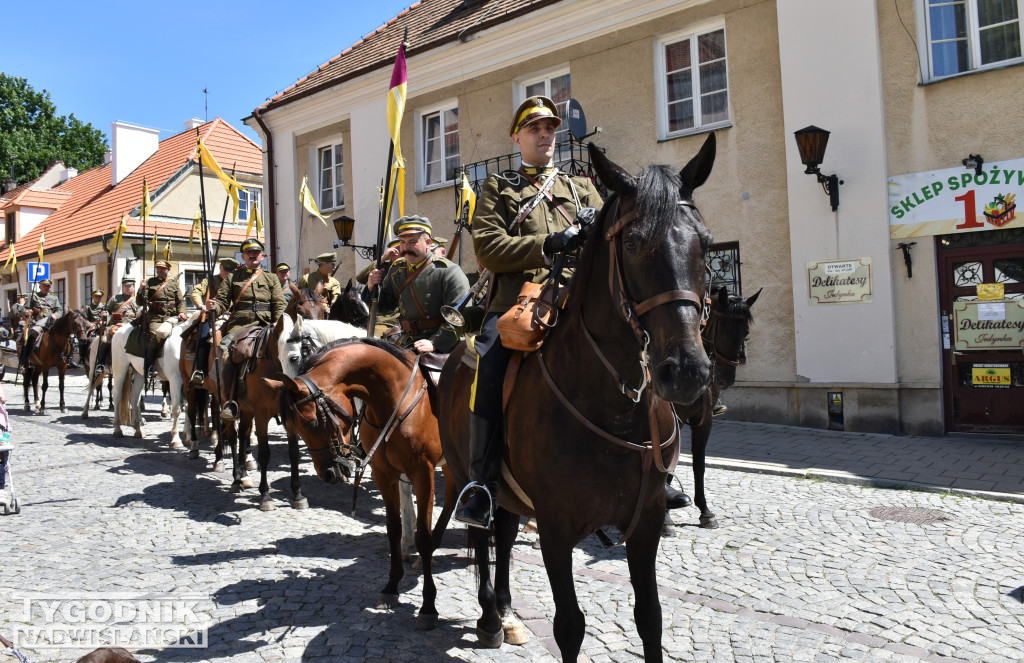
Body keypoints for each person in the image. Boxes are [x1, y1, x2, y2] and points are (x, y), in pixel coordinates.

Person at [453, 95, 604, 529]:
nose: (545, 134)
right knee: (489, 367)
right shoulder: (500, 188)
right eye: (535, 128)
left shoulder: (582, 188)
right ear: (517, 137)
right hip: (520, 304)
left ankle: (654, 467)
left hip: (579, 300)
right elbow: (490, 249)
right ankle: (481, 484)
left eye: (551, 127)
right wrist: (548, 244)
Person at [368, 215, 470, 354]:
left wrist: (435, 342)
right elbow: (385, 307)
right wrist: (372, 287)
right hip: (407, 340)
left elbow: (460, 316)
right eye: (402, 242)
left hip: (444, 344)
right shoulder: (397, 270)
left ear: (428, 242)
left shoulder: (448, 271)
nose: (406, 247)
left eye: (412, 242)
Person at [214, 238, 285, 421]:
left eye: (256, 252)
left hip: (266, 325)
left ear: (262, 256)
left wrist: (280, 327)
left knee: (289, 352)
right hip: (240, 325)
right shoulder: (232, 278)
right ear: (243, 256)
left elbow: (278, 304)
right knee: (227, 354)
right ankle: (231, 402)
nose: (253, 255)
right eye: (248, 252)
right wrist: (214, 307)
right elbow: (222, 301)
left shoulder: (271, 278)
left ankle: (289, 397)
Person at [187, 257, 238, 385]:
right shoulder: (209, 281)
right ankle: (201, 371)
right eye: (225, 269)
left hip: (232, 316)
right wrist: (201, 305)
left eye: (230, 270)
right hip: (212, 316)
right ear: (220, 268)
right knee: (203, 338)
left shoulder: (236, 282)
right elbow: (195, 293)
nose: (227, 273)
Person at [136, 260, 188, 370]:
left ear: (168, 270)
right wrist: (141, 289)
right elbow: (141, 302)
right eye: (158, 268)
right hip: (156, 317)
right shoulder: (150, 282)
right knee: (154, 336)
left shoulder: (173, 284)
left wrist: (182, 312)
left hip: (172, 316)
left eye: (163, 268)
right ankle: (150, 365)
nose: (160, 270)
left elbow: (180, 301)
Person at [24, 279, 77, 368]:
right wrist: (28, 311)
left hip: (52, 321)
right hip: (38, 321)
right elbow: (25, 309)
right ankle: (25, 359)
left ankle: (69, 359)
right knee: (31, 334)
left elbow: (59, 310)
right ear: (40, 286)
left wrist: (55, 315)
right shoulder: (33, 296)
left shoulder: (54, 297)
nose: (46, 287)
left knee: (70, 337)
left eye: (48, 286)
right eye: (44, 285)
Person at [357, 239, 402, 337]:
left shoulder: (411, 268)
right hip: (386, 320)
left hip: (408, 319)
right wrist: (383, 257)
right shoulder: (383, 268)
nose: (401, 252)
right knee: (376, 343)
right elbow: (360, 277)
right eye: (397, 249)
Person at [96, 278, 139, 375]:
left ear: (133, 287)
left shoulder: (137, 300)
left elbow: (140, 311)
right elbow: (107, 310)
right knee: (104, 340)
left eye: (130, 286)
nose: (128, 288)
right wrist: (105, 314)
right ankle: (101, 364)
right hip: (117, 324)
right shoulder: (115, 298)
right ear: (123, 287)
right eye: (126, 286)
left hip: (132, 325)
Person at [81, 289, 108, 369]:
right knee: (83, 338)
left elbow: (110, 316)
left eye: (100, 296)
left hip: (104, 326)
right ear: (93, 297)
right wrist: (91, 324)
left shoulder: (105, 307)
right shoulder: (88, 307)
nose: (98, 298)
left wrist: (105, 320)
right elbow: (85, 320)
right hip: (93, 326)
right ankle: (82, 357)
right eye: (96, 296)